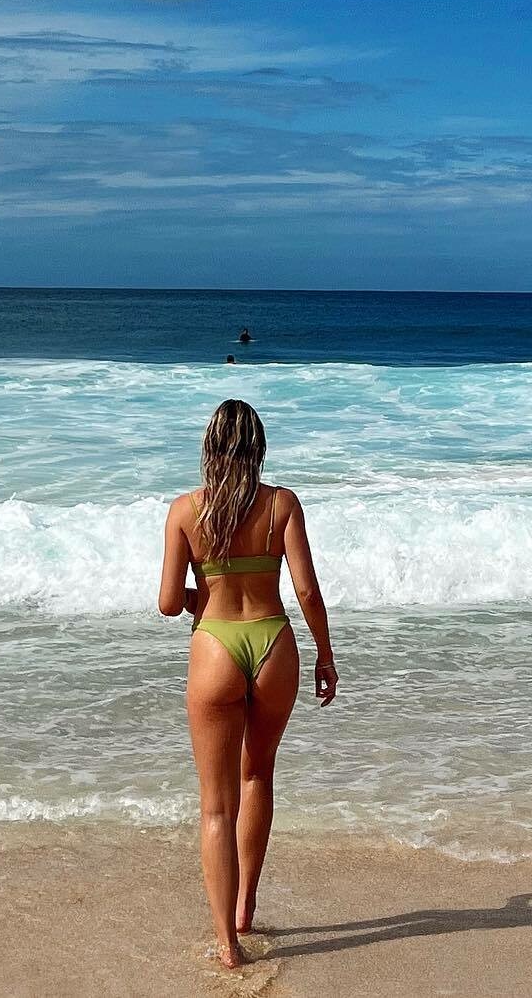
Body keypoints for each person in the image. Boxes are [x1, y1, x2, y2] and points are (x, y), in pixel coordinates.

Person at [159, 399, 337, 970]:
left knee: (216, 807)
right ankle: (245, 907)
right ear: (257, 448)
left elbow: (168, 603)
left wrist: (203, 597)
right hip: (274, 646)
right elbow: (306, 592)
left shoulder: (186, 511)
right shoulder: (282, 504)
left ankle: (227, 945)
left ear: (209, 447)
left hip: (215, 646)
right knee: (257, 773)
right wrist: (326, 654)